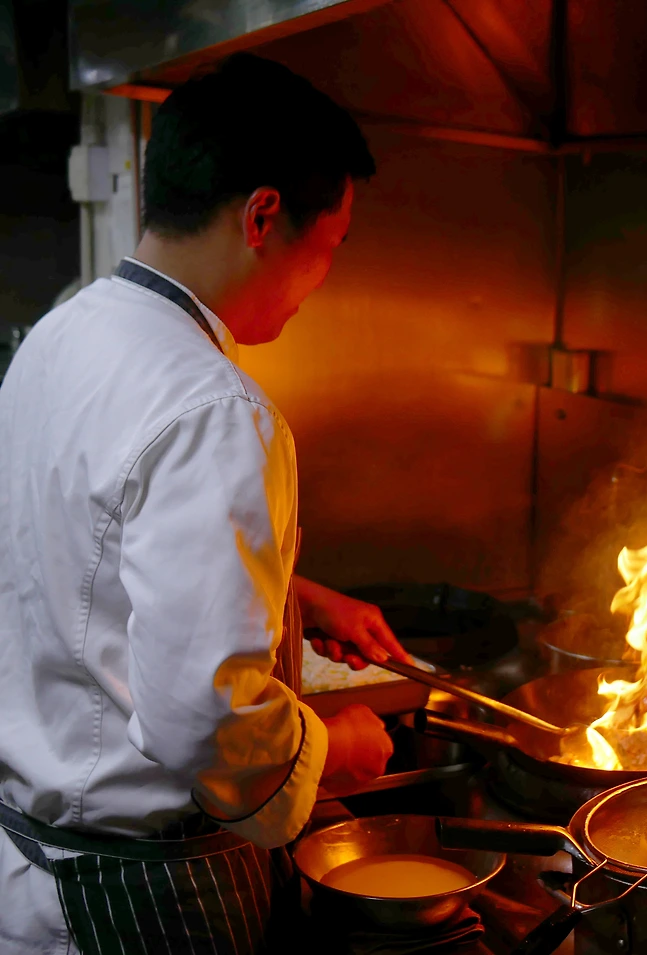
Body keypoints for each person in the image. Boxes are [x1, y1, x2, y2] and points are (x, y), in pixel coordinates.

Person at [0, 54, 414, 954]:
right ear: (262, 215)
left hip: (36, 867)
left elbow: (79, 560)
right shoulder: (218, 407)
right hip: (148, 896)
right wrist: (333, 745)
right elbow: (205, 716)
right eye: (332, 245)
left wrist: (297, 598)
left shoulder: (60, 335)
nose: (322, 279)